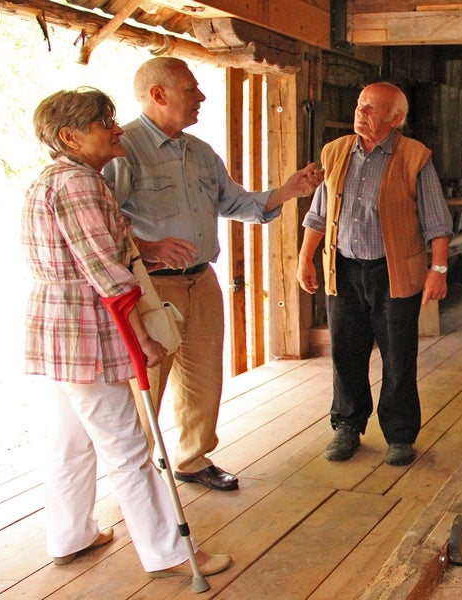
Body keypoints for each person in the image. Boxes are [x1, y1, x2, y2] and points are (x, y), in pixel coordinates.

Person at [22, 87, 230, 578]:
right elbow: (106, 270)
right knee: (128, 447)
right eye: (104, 123)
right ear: (71, 136)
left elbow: (99, 242)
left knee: (71, 441)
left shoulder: (58, 180)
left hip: (59, 330)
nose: (117, 129)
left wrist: (148, 248)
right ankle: (173, 554)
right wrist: (142, 338)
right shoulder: (80, 185)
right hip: (86, 329)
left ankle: (71, 535)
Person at [103, 57, 324, 491]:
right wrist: (148, 248)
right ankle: (135, 476)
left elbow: (234, 203)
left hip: (202, 279)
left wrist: (289, 190)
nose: (201, 97)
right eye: (191, 89)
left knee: (203, 374)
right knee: (146, 381)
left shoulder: (199, 152)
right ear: (158, 95)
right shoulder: (122, 148)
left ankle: (192, 459)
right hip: (150, 286)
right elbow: (101, 220)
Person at [296, 82, 453, 467]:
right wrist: (305, 259)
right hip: (344, 269)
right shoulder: (335, 153)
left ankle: (400, 434)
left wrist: (438, 269)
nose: (360, 112)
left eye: (371, 108)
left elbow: (437, 222)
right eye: (360, 104)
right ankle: (347, 426)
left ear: (395, 118)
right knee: (346, 351)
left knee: (398, 354)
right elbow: (319, 214)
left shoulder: (415, 157)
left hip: (393, 271)